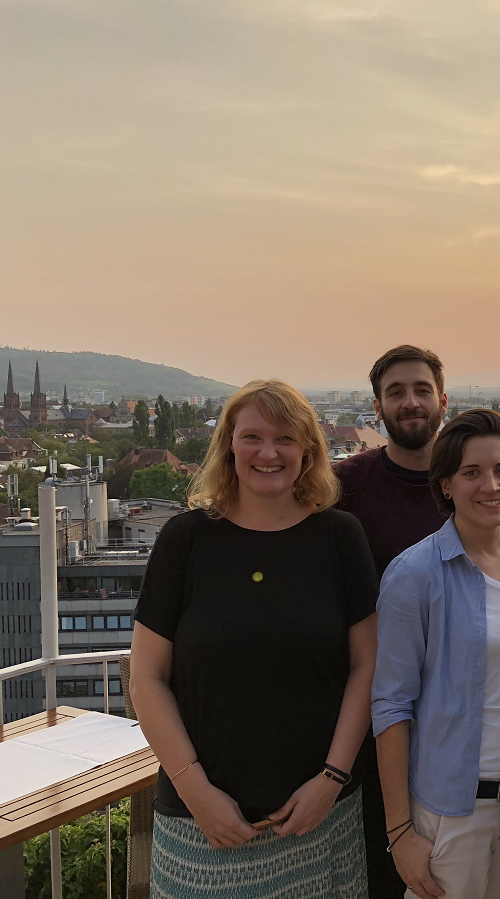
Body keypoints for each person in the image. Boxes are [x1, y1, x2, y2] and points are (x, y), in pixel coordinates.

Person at [130, 379, 378, 899]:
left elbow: (366, 667)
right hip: (202, 823)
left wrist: (331, 780)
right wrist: (196, 792)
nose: (269, 452)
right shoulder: (185, 540)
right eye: (252, 437)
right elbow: (146, 678)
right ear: (228, 446)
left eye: (285, 439)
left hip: (318, 819)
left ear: (307, 451)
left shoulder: (341, 538)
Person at [372, 409, 500, 899]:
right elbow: (390, 705)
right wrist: (399, 831)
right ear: (446, 484)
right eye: (471, 473)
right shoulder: (415, 574)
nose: (491, 485)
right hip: (451, 812)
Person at [334, 344, 449, 897]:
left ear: (443, 400)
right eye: (396, 393)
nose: (411, 402)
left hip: (452, 709)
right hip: (369, 705)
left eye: (421, 389)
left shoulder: (468, 482)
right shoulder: (345, 485)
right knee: (378, 868)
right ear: (376, 408)